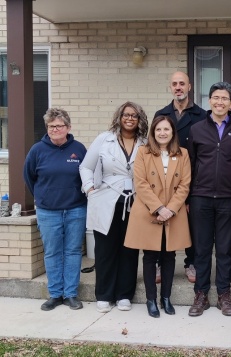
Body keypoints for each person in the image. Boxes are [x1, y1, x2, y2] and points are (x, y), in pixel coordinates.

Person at [79, 102, 148, 313]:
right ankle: (104, 294)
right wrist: (89, 188)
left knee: (129, 249)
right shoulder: (104, 139)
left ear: (139, 120)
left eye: (134, 116)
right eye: (126, 115)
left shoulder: (145, 143)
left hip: (135, 201)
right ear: (119, 117)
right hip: (106, 199)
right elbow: (86, 166)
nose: (129, 119)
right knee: (105, 249)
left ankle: (124, 295)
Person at [187, 82, 231, 317]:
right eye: (215, 97)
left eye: (224, 98)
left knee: (224, 249)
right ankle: (201, 294)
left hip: (228, 198)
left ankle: (224, 293)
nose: (220, 102)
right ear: (209, 100)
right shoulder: (197, 129)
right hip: (201, 197)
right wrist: (189, 197)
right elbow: (191, 163)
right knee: (201, 249)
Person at [124, 116, 192, 318]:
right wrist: (159, 208)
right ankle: (151, 299)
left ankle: (166, 298)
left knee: (169, 255)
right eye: (158, 129)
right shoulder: (143, 152)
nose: (162, 133)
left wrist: (170, 209)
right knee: (150, 256)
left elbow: (184, 185)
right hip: (148, 211)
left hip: (173, 212)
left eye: (166, 129)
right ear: (153, 132)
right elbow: (141, 183)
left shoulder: (183, 154)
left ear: (173, 132)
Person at [23, 108, 87, 311]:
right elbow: (29, 177)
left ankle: (70, 294)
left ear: (68, 127)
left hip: (75, 210)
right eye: (51, 126)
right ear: (47, 128)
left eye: (59, 125)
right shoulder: (37, 150)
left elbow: (87, 176)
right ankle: (55, 294)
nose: (55, 129)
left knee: (73, 251)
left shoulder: (79, 149)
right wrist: (45, 197)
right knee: (52, 252)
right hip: (48, 211)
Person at [154, 71, 207, 284]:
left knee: (190, 225)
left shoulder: (201, 115)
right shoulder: (162, 113)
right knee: (162, 223)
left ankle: (190, 263)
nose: (178, 87)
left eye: (182, 84)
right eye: (174, 84)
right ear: (170, 87)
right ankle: (160, 262)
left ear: (189, 86)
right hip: (164, 178)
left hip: (190, 178)